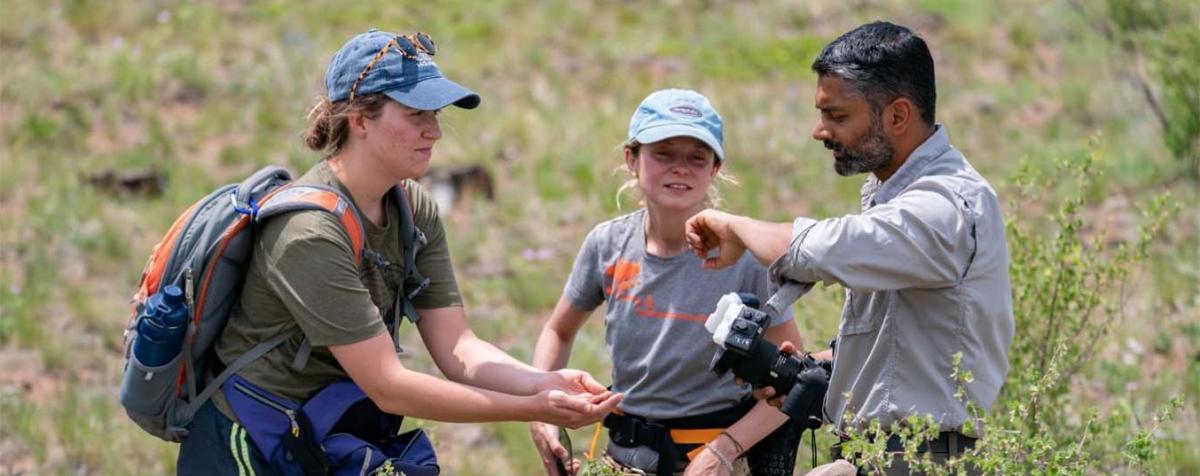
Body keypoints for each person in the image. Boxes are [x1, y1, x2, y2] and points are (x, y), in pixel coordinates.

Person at [175, 29, 622, 475]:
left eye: (436, 113)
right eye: (415, 114)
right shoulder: (307, 232)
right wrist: (532, 407)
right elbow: (388, 385)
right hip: (247, 445)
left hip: (319, 436)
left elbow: (456, 345)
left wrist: (541, 383)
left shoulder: (410, 205)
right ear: (360, 120)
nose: (436, 131)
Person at [685, 21, 1014, 474]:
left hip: (920, 458)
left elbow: (823, 248)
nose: (821, 132)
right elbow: (899, 344)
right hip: (880, 454)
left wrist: (734, 226)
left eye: (837, 116)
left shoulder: (946, 206)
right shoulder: (897, 202)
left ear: (897, 116)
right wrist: (814, 373)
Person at [528, 89, 807, 476]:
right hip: (621, 459)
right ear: (632, 159)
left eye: (697, 157)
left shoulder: (746, 257)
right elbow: (557, 331)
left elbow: (792, 381)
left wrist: (724, 452)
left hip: (714, 464)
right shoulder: (607, 245)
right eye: (664, 153)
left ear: (715, 168)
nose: (681, 168)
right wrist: (541, 412)